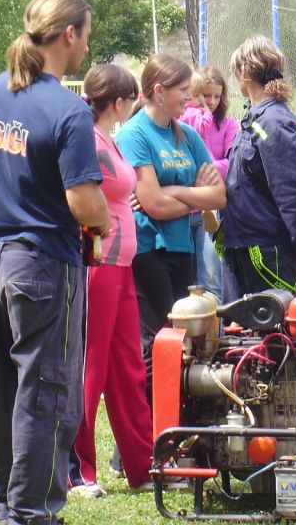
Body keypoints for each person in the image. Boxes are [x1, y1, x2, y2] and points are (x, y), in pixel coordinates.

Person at [0, 0, 111, 525]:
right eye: (87, 36)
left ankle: (4, 498)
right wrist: (105, 221)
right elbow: (82, 199)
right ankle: (32, 510)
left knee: (1, 383)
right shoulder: (69, 111)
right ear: (69, 34)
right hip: (43, 263)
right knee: (47, 386)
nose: (86, 47)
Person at [68, 64, 152, 497]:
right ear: (118, 103)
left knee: (128, 367)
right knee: (92, 367)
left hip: (121, 266)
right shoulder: (87, 138)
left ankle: (142, 465)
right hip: (98, 264)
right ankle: (80, 470)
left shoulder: (108, 139)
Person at [115, 54, 225, 351]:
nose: (190, 97)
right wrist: (193, 193)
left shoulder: (187, 135)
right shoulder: (134, 134)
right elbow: (154, 206)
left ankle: (179, 398)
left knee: (183, 338)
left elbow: (218, 196)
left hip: (183, 247)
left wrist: (174, 190)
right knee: (159, 338)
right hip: (148, 249)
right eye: (183, 89)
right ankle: (154, 398)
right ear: (160, 91)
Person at [222, 36, 296, 295]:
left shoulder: (273, 122)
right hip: (245, 246)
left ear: (243, 72)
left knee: (274, 334)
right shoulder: (257, 117)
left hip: (265, 253)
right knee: (242, 333)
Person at [178, 66, 238, 299]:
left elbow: (233, 161)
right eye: (205, 95)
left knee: (211, 277)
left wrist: (207, 169)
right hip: (182, 208)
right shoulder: (184, 118)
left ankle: (217, 331)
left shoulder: (228, 125)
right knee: (185, 280)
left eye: (216, 96)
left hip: (209, 209)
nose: (211, 101)